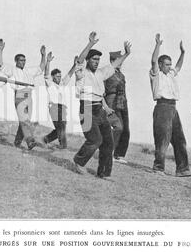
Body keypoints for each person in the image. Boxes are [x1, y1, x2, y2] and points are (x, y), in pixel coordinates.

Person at [73, 32, 128, 179]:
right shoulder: (81, 73)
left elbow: (114, 64)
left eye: (98, 59)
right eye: (94, 59)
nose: (96, 62)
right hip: (86, 109)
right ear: (88, 61)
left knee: (108, 142)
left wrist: (126, 54)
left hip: (100, 110)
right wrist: (90, 44)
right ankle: (79, 161)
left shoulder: (101, 73)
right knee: (95, 140)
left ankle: (104, 172)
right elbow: (79, 60)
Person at [149, 33, 191, 177]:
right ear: (161, 65)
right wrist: (158, 45)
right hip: (162, 107)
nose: (169, 66)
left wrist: (183, 52)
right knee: (162, 139)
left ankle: (182, 169)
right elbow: (154, 60)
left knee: (179, 139)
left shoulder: (171, 74)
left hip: (173, 108)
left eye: (170, 64)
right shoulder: (156, 74)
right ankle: (158, 168)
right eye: (166, 64)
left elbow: (178, 66)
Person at [0, 39, 46, 150]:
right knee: (24, 120)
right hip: (20, 95)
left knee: (24, 120)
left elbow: (41, 68)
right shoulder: (12, 69)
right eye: (20, 60)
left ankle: (17, 142)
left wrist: (43, 55)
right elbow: (0, 63)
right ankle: (30, 141)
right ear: (16, 61)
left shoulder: (28, 71)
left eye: (24, 60)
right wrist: (0, 50)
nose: (23, 62)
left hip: (29, 96)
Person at [42, 52, 78, 149]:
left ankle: (46, 139)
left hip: (62, 107)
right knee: (60, 126)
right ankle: (63, 145)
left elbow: (69, 75)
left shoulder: (62, 83)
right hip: (53, 107)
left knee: (61, 127)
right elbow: (46, 74)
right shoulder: (49, 83)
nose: (59, 78)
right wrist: (48, 62)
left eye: (60, 76)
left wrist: (74, 65)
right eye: (57, 76)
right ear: (53, 77)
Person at [103, 48, 132, 164]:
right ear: (112, 61)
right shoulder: (107, 73)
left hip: (123, 102)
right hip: (111, 101)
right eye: (118, 60)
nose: (121, 63)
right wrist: (105, 106)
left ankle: (119, 155)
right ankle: (109, 152)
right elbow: (102, 91)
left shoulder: (122, 76)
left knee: (126, 129)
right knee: (118, 127)